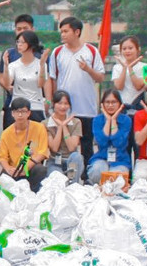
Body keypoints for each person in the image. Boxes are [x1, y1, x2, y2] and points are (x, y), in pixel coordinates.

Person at [44, 16, 103, 162]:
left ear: (77, 32)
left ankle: (87, 177)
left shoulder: (91, 51)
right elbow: (52, 78)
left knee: (86, 144)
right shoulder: (57, 52)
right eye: (61, 31)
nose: (62, 35)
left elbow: (100, 77)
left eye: (66, 31)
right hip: (65, 109)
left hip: (86, 107)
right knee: (66, 145)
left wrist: (88, 69)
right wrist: (51, 101)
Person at [0, 97, 49, 191]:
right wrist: (8, 168)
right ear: (12, 113)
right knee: (2, 179)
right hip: (14, 169)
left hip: (31, 168)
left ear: (29, 113)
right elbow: (2, 157)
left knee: (41, 170)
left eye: (23, 111)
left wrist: (27, 167)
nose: (20, 115)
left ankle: (34, 195)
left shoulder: (39, 128)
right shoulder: (6, 133)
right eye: (17, 111)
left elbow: (42, 152)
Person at [88, 88, 133, 184]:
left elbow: (118, 143)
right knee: (97, 171)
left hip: (120, 159)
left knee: (116, 178)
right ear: (102, 104)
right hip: (101, 157)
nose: (110, 105)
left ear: (120, 104)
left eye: (114, 102)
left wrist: (113, 121)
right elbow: (101, 142)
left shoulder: (126, 120)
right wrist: (108, 120)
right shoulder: (97, 120)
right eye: (107, 102)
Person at [0, 29, 46, 121]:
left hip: (36, 107)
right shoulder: (14, 65)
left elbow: (41, 84)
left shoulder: (41, 64)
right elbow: (7, 84)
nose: (19, 45)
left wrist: (42, 66)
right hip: (17, 107)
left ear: (31, 44)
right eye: (18, 41)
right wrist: (5, 65)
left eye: (22, 42)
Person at [44, 89, 85, 181]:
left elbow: (71, 147)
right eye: (59, 103)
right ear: (53, 104)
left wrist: (64, 126)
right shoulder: (45, 123)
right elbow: (54, 147)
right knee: (58, 180)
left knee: (77, 157)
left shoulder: (76, 122)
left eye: (66, 103)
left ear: (69, 105)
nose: (63, 107)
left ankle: (72, 184)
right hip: (54, 161)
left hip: (71, 161)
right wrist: (60, 127)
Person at [111, 36, 147, 111]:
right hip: (121, 106)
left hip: (139, 105)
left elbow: (138, 86)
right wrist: (124, 68)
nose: (127, 51)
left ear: (137, 49)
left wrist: (130, 69)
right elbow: (119, 86)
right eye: (124, 49)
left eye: (130, 48)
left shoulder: (144, 66)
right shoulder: (117, 67)